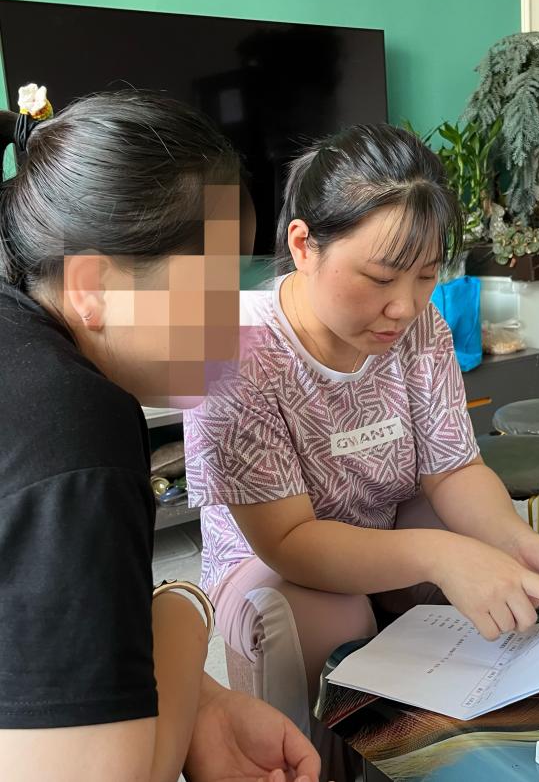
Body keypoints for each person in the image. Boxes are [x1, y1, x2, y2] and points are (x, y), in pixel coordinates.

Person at [184, 123, 539, 742]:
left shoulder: (421, 326)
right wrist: (442, 555)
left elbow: (454, 468)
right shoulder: (233, 350)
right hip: (272, 558)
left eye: (426, 276)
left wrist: (516, 541)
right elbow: (288, 541)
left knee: (489, 563)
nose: (404, 308)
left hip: (388, 518)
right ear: (303, 246)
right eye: (381, 278)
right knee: (335, 619)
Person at [0, 87, 319, 781]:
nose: (233, 325)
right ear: (90, 286)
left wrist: (202, 699)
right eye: (211, 289)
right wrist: (182, 609)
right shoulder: (75, 429)